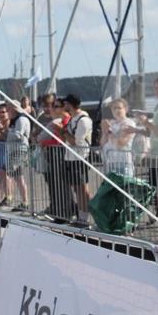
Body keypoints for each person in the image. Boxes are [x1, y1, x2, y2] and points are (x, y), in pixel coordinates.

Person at [137, 75, 158, 233]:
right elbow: (154, 132)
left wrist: (146, 123)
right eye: (155, 87)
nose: (156, 90)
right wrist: (137, 129)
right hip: (157, 156)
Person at [61, 94, 93, 228]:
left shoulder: (83, 120)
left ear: (70, 104)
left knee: (82, 189)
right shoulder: (73, 119)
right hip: (70, 157)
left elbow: (76, 142)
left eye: (65, 104)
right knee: (76, 188)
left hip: (80, 157)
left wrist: (63, 133)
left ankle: (85, 218)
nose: (64, 107)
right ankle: (81, 216)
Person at [100, 98, 138, 177]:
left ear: (125, 109)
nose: (116, 110)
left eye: (119, 108)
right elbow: (102, 143)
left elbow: (120, 143)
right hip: (110, 162)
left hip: (123, 163)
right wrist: (104, 132)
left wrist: (109, 131)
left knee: (124, 188)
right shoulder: (112, 123)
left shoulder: (129, 123)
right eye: (114, 108)